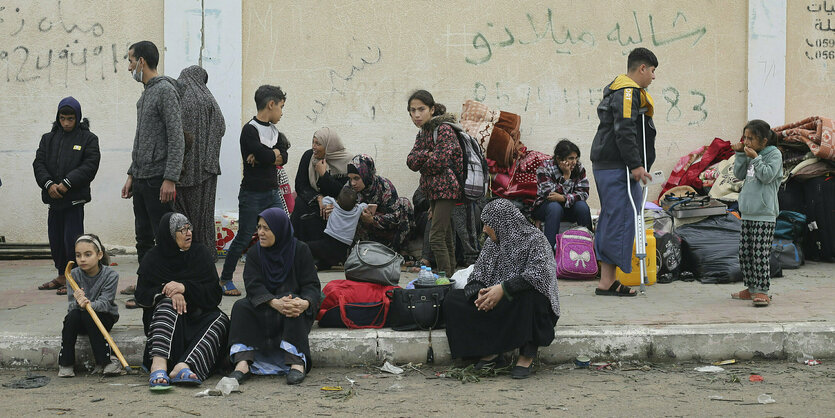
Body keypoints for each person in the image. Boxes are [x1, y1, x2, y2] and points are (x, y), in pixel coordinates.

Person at [443, 199, 559, 379]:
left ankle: (526, 354)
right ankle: (492, 352)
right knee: (452, 300)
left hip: (523, 301)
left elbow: (539, 275)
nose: (484, 229)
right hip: (498, 301)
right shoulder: (493, 242)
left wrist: (503, 289)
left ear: (502, 222)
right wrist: (481, 294)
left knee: (532, 297)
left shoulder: (536, 240)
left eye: (487, 224)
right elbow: (478, 273)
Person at [589, 47, 658, 297]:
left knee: (613, 217)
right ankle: (608, 281)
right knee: (621, 218)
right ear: (641, 68)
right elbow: (624, 129)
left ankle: (607, 280)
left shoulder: (620, 89)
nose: (652, 77)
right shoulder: (628, 92)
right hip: (617, 166)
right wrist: (636, 165)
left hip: (610, 164)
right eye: (651, 71)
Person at [226, 208, 321, 386]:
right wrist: (273, 302)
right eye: (259, 227)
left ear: (279, 230)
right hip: (266, 305)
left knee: (293, 305)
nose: (260, 232)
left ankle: (296, 363)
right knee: (241, 307)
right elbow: (253, 285)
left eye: (266, 228)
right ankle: (242, 364)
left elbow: (312, 285)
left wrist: (305, 303)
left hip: (292, 308)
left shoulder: (300, 250)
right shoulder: (255, 253)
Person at [135, 213, 230, 390]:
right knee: (167, 305)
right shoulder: (153, 258)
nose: (188, 233)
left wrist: (184, 288)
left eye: (189, 228)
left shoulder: (200, 253)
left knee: (221, 319)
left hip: (196, 319)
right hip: (166, 328)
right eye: (181, 230)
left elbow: (214, 294)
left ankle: (184, 366)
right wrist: (168, 291)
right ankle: (159, 366)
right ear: (169, 234)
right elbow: (141, 295)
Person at [219, 85, 290, 297]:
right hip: (252, 194)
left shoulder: (275, 131)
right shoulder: (250, 129)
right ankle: (225, 278)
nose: (282, 112)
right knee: (244, 237)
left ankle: (282, 275)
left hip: (272, 192)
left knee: (284, 230)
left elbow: (283, 156)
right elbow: (269, 156)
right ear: (271, 104)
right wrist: (269, 155)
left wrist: (265, 155)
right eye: (281, 107)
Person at [122, 41, 185, 266]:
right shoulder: (146, 94)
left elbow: (176, 137)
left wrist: (170, 178)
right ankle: (146, 284)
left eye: (130, 61)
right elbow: (142, 139)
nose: (129, 67)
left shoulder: (165, 91)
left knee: (163, 237)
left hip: (158, 180)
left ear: (141, 61)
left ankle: (165, 284)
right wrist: (131, 175)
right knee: (143, 238)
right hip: (140, 178)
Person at [33, 97, 101, 295]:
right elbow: (39, 164)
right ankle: (62, 275)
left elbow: (89, 165)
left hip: (74, 200)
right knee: (55, 240)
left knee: (72, 240)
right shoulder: (48, 138)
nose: (66, 123)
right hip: (53, 200)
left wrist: (66, 183)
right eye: (62, 118)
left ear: (77, 118)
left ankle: (75, 279)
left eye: (70, 119)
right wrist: (49, 185)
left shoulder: (88, 139)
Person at [406, 90, 462, 277]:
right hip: (433, 192)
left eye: (421, 109)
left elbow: (439, 161)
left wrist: (425, 161)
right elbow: (411, 162)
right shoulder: (422, 134)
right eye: (412, 110)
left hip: (447, 189)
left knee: (436, 236)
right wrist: (426, 155)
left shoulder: (444, 129)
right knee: (445, 236)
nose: (416, 115)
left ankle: (445, 277)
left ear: (432, 109)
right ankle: (451, 276)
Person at [174, 65, 226, 262]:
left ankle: (185, 255)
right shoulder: (208, 99)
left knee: (180, 216)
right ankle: (206, 255)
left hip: (181, 169)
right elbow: (221, 126)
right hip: (206, 169)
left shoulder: (176, 97)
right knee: (203, 215)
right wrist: (208, 153)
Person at [730, 120, 782, 307]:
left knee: (759, 253)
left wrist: (755, 158)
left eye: (751, 138)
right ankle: (751, 288)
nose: (747, 142)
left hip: (764, 214)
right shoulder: (750, 154)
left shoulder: (774, 155)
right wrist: (739, 154)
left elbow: (767, 176)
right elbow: (739, 174)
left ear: (764, 140)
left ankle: (762, 291)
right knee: (745, 253)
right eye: (745, 138)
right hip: (748, 212)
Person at [58, 234, 120, 377]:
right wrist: (79, 304)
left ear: (99, 255)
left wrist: (88, 304)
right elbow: (71, 306)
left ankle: (106, 361)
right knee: (72, 317)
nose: (82, 259)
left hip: (104, 316)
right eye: (78, 255)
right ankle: (65, 363)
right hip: (80, 316)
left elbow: (105, 304)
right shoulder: (72, 275)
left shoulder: (110, 275)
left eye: (88, 254)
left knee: (88, 315)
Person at [290, 127, 351, 242]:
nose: (313, 146)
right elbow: (300, 185)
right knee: (300, 205)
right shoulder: (309, 157)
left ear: (329, 146)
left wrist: (324, 175)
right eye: (313, 142)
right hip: (313, 201)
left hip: (335, 206)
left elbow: (342, 192)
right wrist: (318, 197)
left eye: (318, 144)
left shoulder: (347, 162)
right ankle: (296, 247)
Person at [533, 139, 592, 249]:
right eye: (570, 158)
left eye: (576, 158)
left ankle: (588, 247)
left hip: (568, 206)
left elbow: (584, 193)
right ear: (559, 158)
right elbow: (549, 195)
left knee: (582, 206)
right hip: (545, 207)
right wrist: (565, 177)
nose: (574, 162)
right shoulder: (544, 167)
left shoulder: (579, 167)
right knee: (555, 207)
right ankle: (548, 252)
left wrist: (564, 198)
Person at [347, 154, 414, 251]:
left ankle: (398, 252)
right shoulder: (349, 188)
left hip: (386, 232)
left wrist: (373, 220)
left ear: (366, 175)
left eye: (357, 178)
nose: (353, 183)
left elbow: (395, 217)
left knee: (404, 203)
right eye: (350, 178)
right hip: (363, 237)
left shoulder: (384, 186)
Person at [307, 187, 368, 270]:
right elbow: (365, 205)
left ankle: (305, 263)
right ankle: (318, 266)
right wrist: (359, 205)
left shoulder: (334, 205)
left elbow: (325, 200)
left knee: (307, 246)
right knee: (329, 260)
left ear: (338, 201)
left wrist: (333, 202)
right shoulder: (357, 210)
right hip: (344, 246)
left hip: (329, 240)